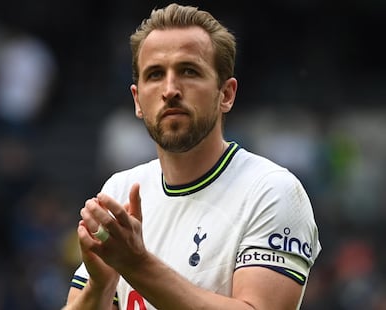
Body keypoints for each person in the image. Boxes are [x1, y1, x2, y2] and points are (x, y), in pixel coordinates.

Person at [63, 3, 321, 309]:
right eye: (155, 74)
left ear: (226, 94)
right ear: (137, 100)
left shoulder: (272, 192)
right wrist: (101, 284)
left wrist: (136, 264)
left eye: (189, 71)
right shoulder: (119, 192)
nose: (170, 89)